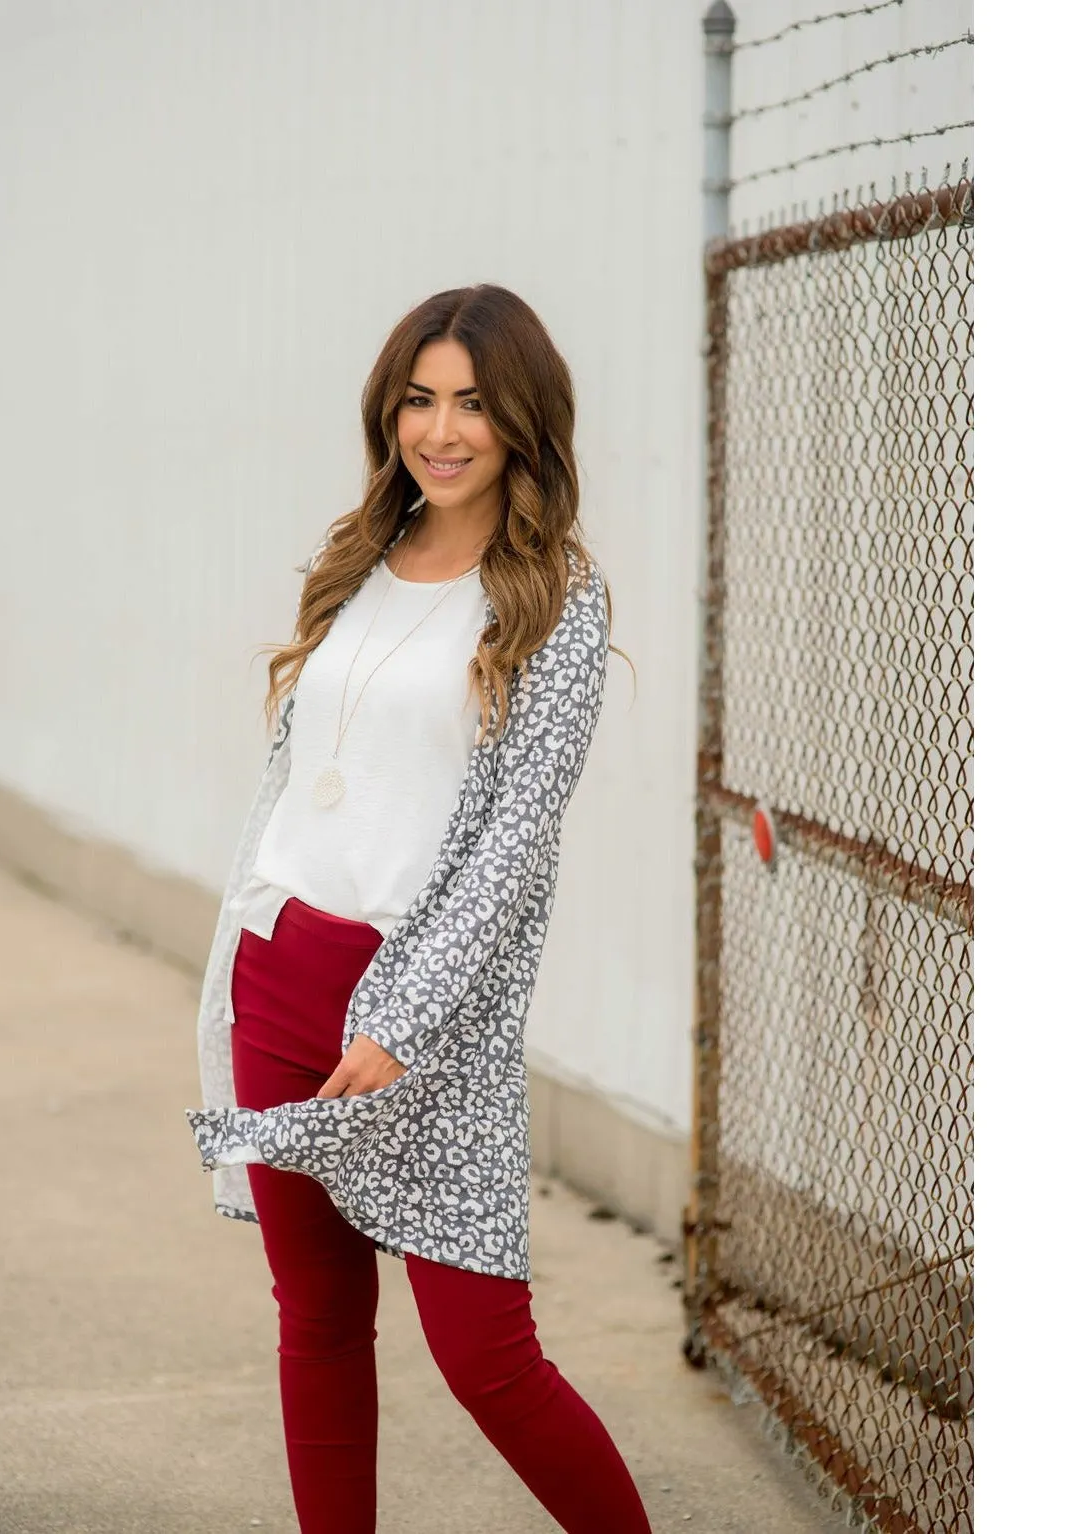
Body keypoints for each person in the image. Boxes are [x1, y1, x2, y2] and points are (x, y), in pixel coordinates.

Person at [185, 284, 647, 1534]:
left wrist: (402, 1018)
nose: (441, 430)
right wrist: (241, 959)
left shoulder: (552, 598)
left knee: (486, 1354)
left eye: (473, 404)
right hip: (282, 977)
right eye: (420, 398)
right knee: (320, 1326)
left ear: (521, 425)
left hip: (411, 1011)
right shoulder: (356, 567)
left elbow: (515, 840)